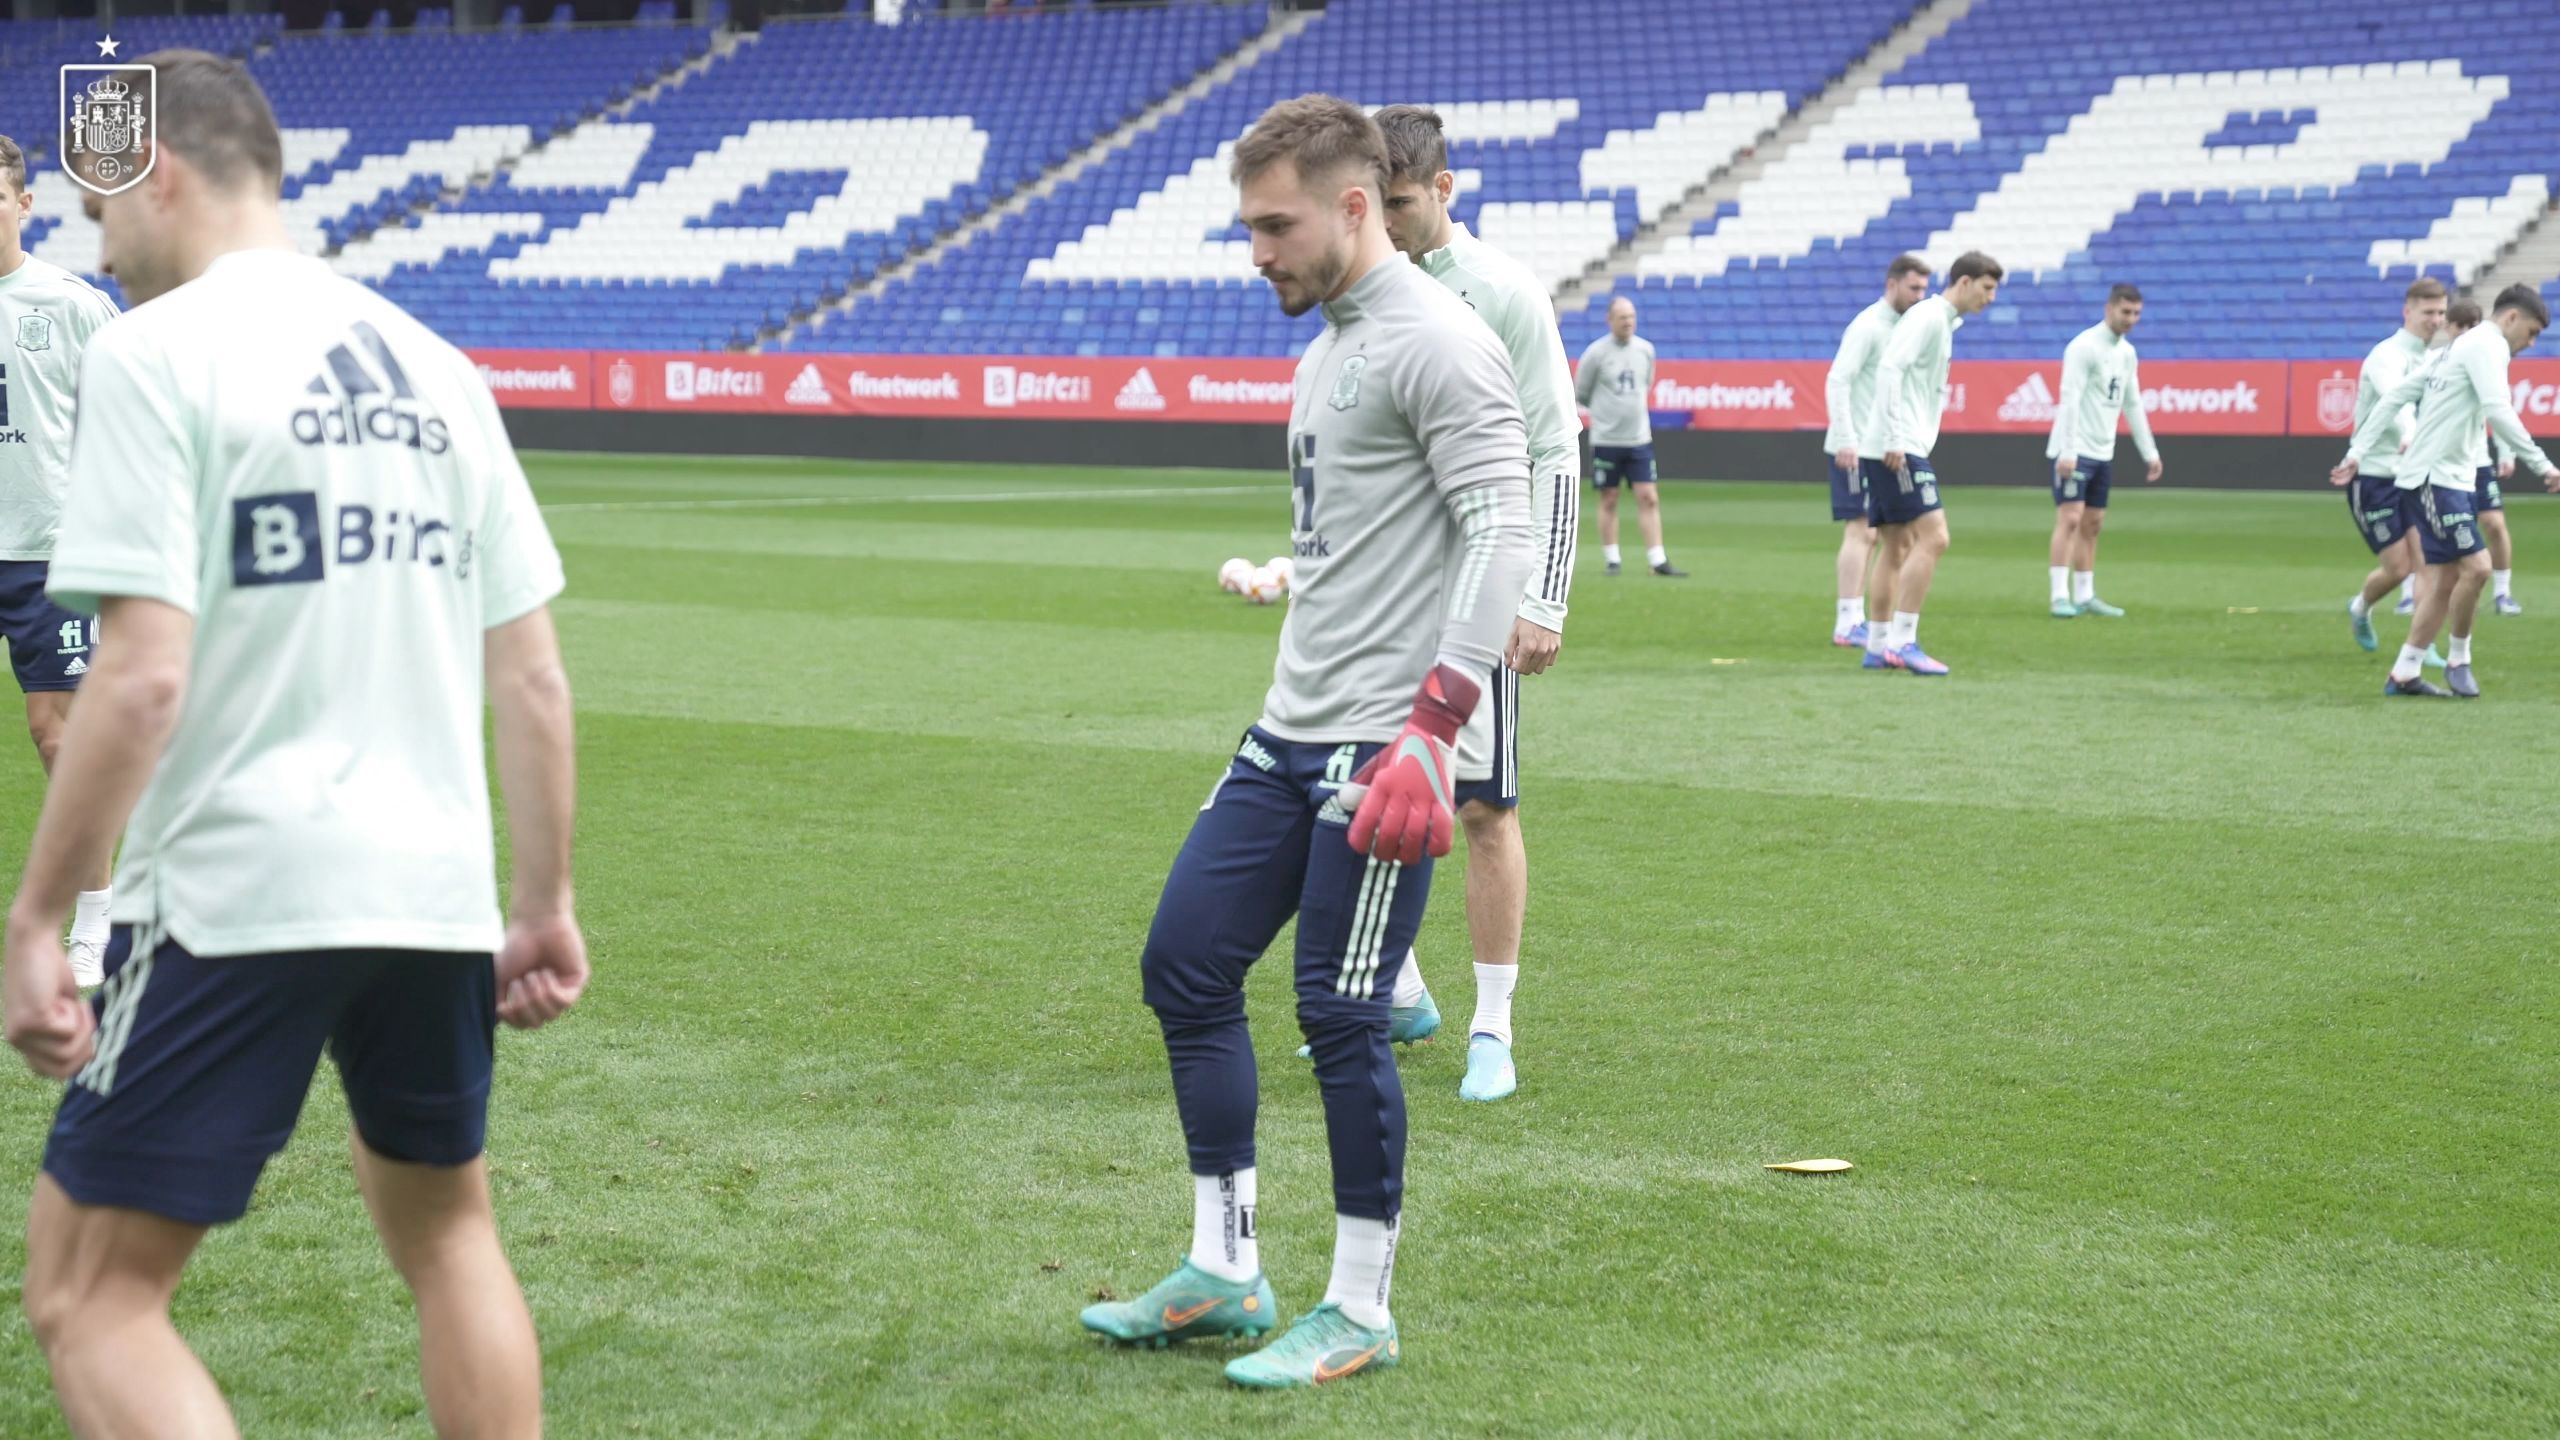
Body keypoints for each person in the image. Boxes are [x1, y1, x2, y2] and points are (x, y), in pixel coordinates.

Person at [3, 51, 587, 1438]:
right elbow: (536, 675)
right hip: (434, 890)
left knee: (90, 1300)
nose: (100, 244)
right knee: (450, 1240)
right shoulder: (438, 364)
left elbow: (139, 681)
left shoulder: (157, 350)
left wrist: (39, 915)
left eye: (100, 210)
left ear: (162, 174)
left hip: (234, 882)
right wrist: (541, 905)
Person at [1079, 94, 1531, 1388]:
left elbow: (1501, 529)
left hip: (1385, 748)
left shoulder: (1439, 340)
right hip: (1288, 733)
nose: (1257, 252)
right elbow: (1375, 530)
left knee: (1341, 1016)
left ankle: (1360, 1308)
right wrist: (1295, 574)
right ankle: (1226, 1272)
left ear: (1352, 204)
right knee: (1185, 969)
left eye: (1274, 225)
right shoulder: (1331, 341)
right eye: (1248, 227)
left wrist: (1435, 731)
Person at [1323, 103, 1576, 1103]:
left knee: (1481, 806)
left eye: (1395, 206)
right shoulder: (1363, 290)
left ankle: (1493, 1029)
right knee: (1359, 785)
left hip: (1478, 584)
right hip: (1383, 592)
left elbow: (1553, 446)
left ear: (1443, 191)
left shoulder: (1504, 293)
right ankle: (1400, 992)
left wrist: (1545, 597)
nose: (1379, 226)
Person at [0, 134, 123, 985]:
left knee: (60, 741)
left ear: (24, 203)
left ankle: (96, 921)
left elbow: (132, 423)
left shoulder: (72, 303)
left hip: (46, 554)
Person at [2332, 284, 2556, 697]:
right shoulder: (2485, 346)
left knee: (2445, 577)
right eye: (2532, 331)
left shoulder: (2454, 349)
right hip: (2435, 478)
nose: (2532, 341)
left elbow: (2400, 394)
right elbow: (2498, 408)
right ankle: (2459, 658)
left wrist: (2356, 449)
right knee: (2478, 567)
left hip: (2450, 477)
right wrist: (2543, 464)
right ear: (2510, 318)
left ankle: (2405, 672)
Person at [1860, 251, 2004, 676]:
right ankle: (1904, 641)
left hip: (1893, 441)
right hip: (1897, 444)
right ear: (1963, 282)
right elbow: (1889, 367)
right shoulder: (1928, 317)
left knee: (1897, 546)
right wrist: (1892, 435)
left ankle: (1877, 645)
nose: (1991, 297)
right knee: (1935, 537)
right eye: (1987, 287)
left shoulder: (1940, 321)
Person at [1822, 255, 1929, 646]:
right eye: (1913, 288)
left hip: (1880, 447)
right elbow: (1838, 380)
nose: (1920, 297)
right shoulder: (1868, 326)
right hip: (1855, 446)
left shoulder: (1905, 328)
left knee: (1888, 535)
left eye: (1923, 289)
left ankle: (1860, 618)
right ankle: (1847, 620)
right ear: (1891, 285)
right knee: (1862, 530)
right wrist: (1846, 437)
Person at [2342, 279, 2447, 655]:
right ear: (2408, 312)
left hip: (2413, 477)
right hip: (2373, 475)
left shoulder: (2433, 358)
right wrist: (2409, 433)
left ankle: (2422, 648)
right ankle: (2360, 607)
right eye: (2427, 312)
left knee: (2427, 562)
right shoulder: (2386, 355)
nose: (2435, 320)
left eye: (2440, 312)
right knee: (2398, 568)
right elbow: (2394, 400)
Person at [2046, 284, 2163, 617]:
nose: (2131, 319)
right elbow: (2069, 399)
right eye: (2125, 312)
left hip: (2102, 451)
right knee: (2069, 518)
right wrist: (2067, 451)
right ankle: (2058, 595)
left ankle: (2085, 595)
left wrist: (2149, 452)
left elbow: (2133, 402)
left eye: (2136, 313)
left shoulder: (2127, 353)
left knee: (2093, 523)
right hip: (2074, 449)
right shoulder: (2083, 347)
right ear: (2109, 308)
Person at [1576, 297, 1686, 577]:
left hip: (1639, 438)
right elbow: (1581, 392)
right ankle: (1613, 559)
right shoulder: (1596, 353)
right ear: (1610, 320)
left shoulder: (1646, 350)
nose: (1628, 322)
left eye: (1631, 316)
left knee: (1649, 496)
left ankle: (1657, 559)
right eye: (1622, 317)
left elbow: (1646, 384)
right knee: (1609, 497)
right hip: (1606, 439)